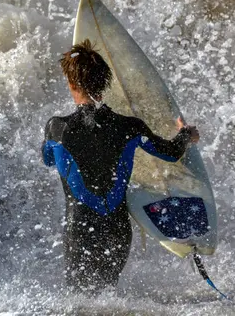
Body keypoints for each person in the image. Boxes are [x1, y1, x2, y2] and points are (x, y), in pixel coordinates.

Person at [41, 39, 199, 293]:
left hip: (81, 228)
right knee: (108, 295)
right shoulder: (130, 127)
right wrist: (185, 134)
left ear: (71, 84)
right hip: (116, 229)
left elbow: (48, 159)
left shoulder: (57, 128)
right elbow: (171, 152)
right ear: (104, 84)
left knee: (80, 299)